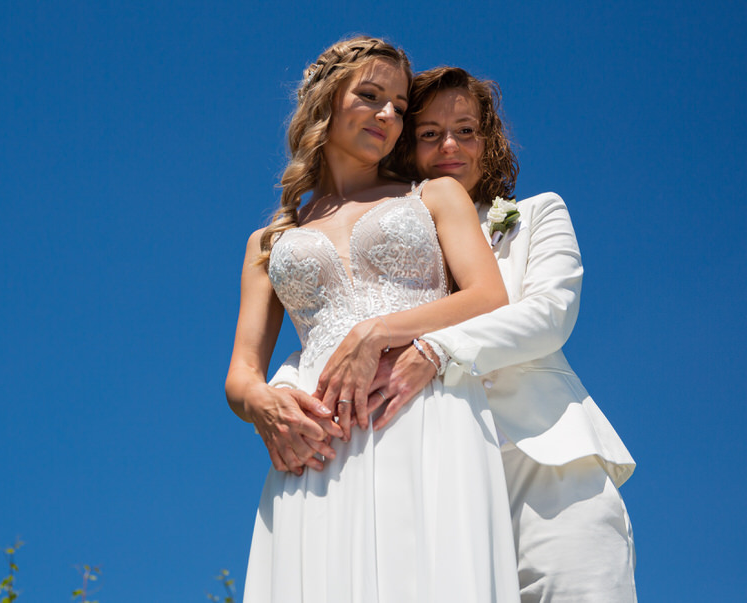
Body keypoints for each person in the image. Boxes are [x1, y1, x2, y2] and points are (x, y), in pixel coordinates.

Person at [271, 66, 637, 602]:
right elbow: (335, 323)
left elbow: (548, 313)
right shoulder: (399, 230)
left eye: (466, 130)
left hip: (541, 466)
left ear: (489, 142)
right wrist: (283, 387)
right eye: (429, 133)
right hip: (432, 476)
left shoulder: (536, 214)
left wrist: (436, 348)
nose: (450, 145)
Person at [226, 38, 521, 602]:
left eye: (400, 106)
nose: (389, 115)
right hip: (317, 442)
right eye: (370, 95)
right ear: (324, 102)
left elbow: (489, 296)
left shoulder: (433, 196)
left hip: (424, 413)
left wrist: (378, 332)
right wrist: (262, 405)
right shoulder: (267, 243)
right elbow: (241, 375)